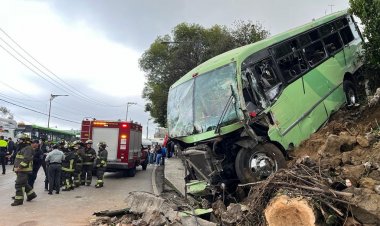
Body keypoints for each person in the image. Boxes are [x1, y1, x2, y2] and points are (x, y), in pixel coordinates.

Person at [11, 135, 37, 206]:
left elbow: (27, 159)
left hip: (23, 169)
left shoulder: (27, 148)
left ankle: (18, 200)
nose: (19, 141)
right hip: (21, 170)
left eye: (20, 140)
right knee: (24, 183)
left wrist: (20, 166)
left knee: (19, 184)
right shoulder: (23, 148)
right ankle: (31, 195)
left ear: (25, 141)